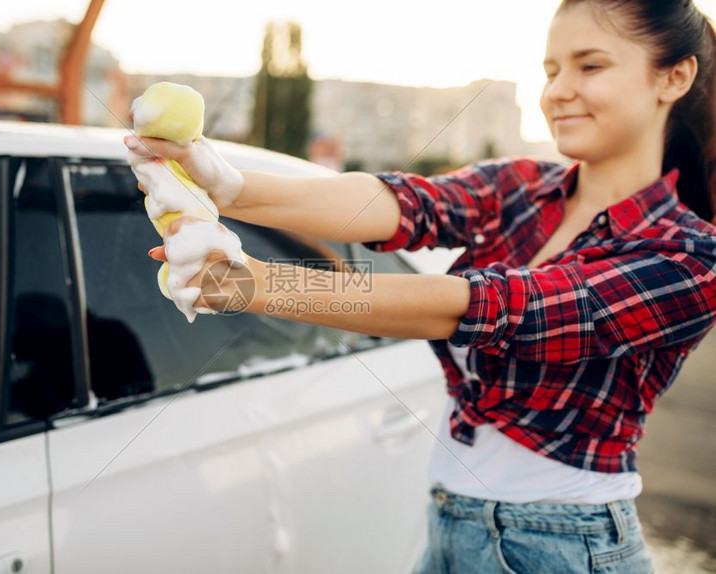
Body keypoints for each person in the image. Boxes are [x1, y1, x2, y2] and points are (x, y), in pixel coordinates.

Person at [124, 0, 716, 571]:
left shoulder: (692, 256)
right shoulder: (521, 185)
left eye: (590, 65)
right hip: (451, 522)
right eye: (551, 69)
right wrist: (229, 186)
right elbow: (405, 202)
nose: (558, 90)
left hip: (565, 546)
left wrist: (256, 284)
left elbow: (497, 309)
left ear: (674, 77)